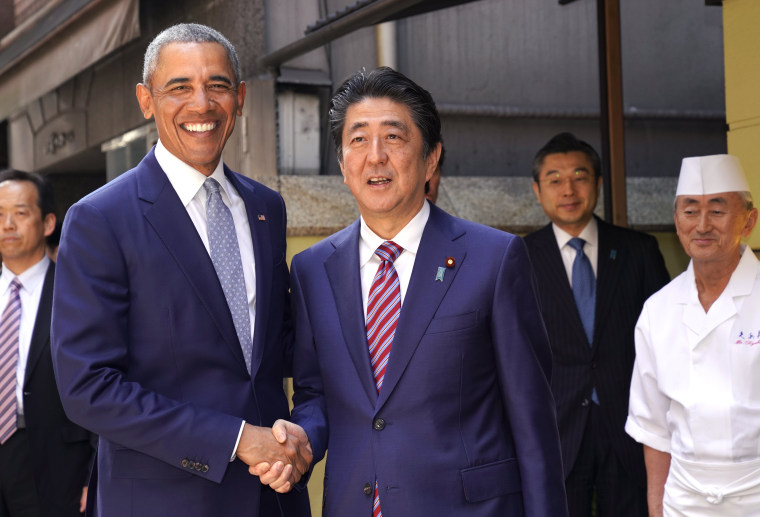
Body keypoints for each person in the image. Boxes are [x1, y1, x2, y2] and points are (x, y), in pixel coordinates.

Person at [260, 67, 568, 516]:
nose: (376, 156)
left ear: (430, 159)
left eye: (394, 137)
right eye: (359, 139)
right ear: (343, 166)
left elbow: (534, 422)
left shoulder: (494, 258)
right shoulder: (311, 270)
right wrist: (303, 438)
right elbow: (314, 394)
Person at [50, 24, 311, 517]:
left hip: (272, 498)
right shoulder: (99, 218)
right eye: (179, 87)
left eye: (217, 85)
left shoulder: (265, 208)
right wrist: (234, 440)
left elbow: (279, 349)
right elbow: (88, 388)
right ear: (145, 100)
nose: (202, 104)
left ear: (240, 97)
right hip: (163, 499)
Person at [524, 132, 670, 517]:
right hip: (555, 429)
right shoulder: (517, 258)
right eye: (554, 179)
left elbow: (665, 342)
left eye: (580, 176)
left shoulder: (639, 251)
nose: (568, 189)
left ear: (599, 184)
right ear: (537, 191)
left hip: (628, 426)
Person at [626, 154, 760, 516]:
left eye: (717, 211)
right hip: (684, 500)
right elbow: (653, 428)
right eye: (690, 211)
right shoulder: (658, 309)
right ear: (676, 220)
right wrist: (657, 508)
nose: (702, 225)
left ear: (749, 220)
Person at [0, 169, 94, 516]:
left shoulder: (78, 292)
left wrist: (94, 472)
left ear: (48, 222)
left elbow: (105, 376)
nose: (8, 224)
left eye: (20, 213)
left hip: (59, 464)